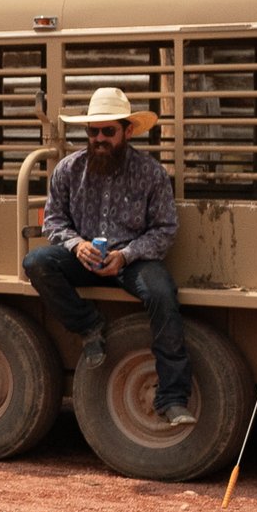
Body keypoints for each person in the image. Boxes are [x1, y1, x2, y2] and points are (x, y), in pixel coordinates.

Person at [23, 87, 191, 426]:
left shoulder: (151, 173)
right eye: (93, 131)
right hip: (85, 258)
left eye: (108, 131)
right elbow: (53, 221)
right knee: (36, 263)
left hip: (132, 261)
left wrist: (126, 255)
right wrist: (76, 245)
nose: (99, 138)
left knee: (162, 293)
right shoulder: (68, 169)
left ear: (127, 131)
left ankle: (173, 398)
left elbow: (164, 229)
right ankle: (89, 327)